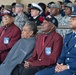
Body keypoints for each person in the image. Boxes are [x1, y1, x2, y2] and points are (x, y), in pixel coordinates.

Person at [35, 6, 76, 75]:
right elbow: (63, 54)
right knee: (39, 74)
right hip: (63, 66)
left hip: (73, 68)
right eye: (71, 18)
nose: (70, 20)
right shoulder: (69, 36)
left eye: (74, 19)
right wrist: (59, 64)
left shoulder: (59, 37)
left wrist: (67, 66)